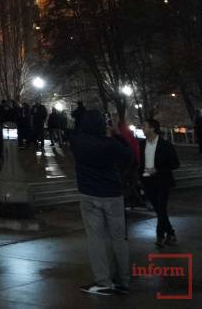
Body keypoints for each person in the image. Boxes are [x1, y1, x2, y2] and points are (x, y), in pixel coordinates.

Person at [71, 110, 132, 296]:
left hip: (90, 194)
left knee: (96, 239)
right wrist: (117, 134)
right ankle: (123, 280)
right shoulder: (111, 144)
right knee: (118, 239)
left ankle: (103, 280)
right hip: (113, 194)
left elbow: (75, 132)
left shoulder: (78, 142)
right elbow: (129, 156)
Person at [140, 118, 180, 248]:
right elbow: (140, 163)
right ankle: (170, 233)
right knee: (159, 210)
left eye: (144, 126)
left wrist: (157, 169)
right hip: (148, 182)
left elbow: (175, 164)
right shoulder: (142, 144)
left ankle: (160, 235)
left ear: (152, 128)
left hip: (162, 181)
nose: (142, 128)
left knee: (161, 208)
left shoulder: (165, 145)